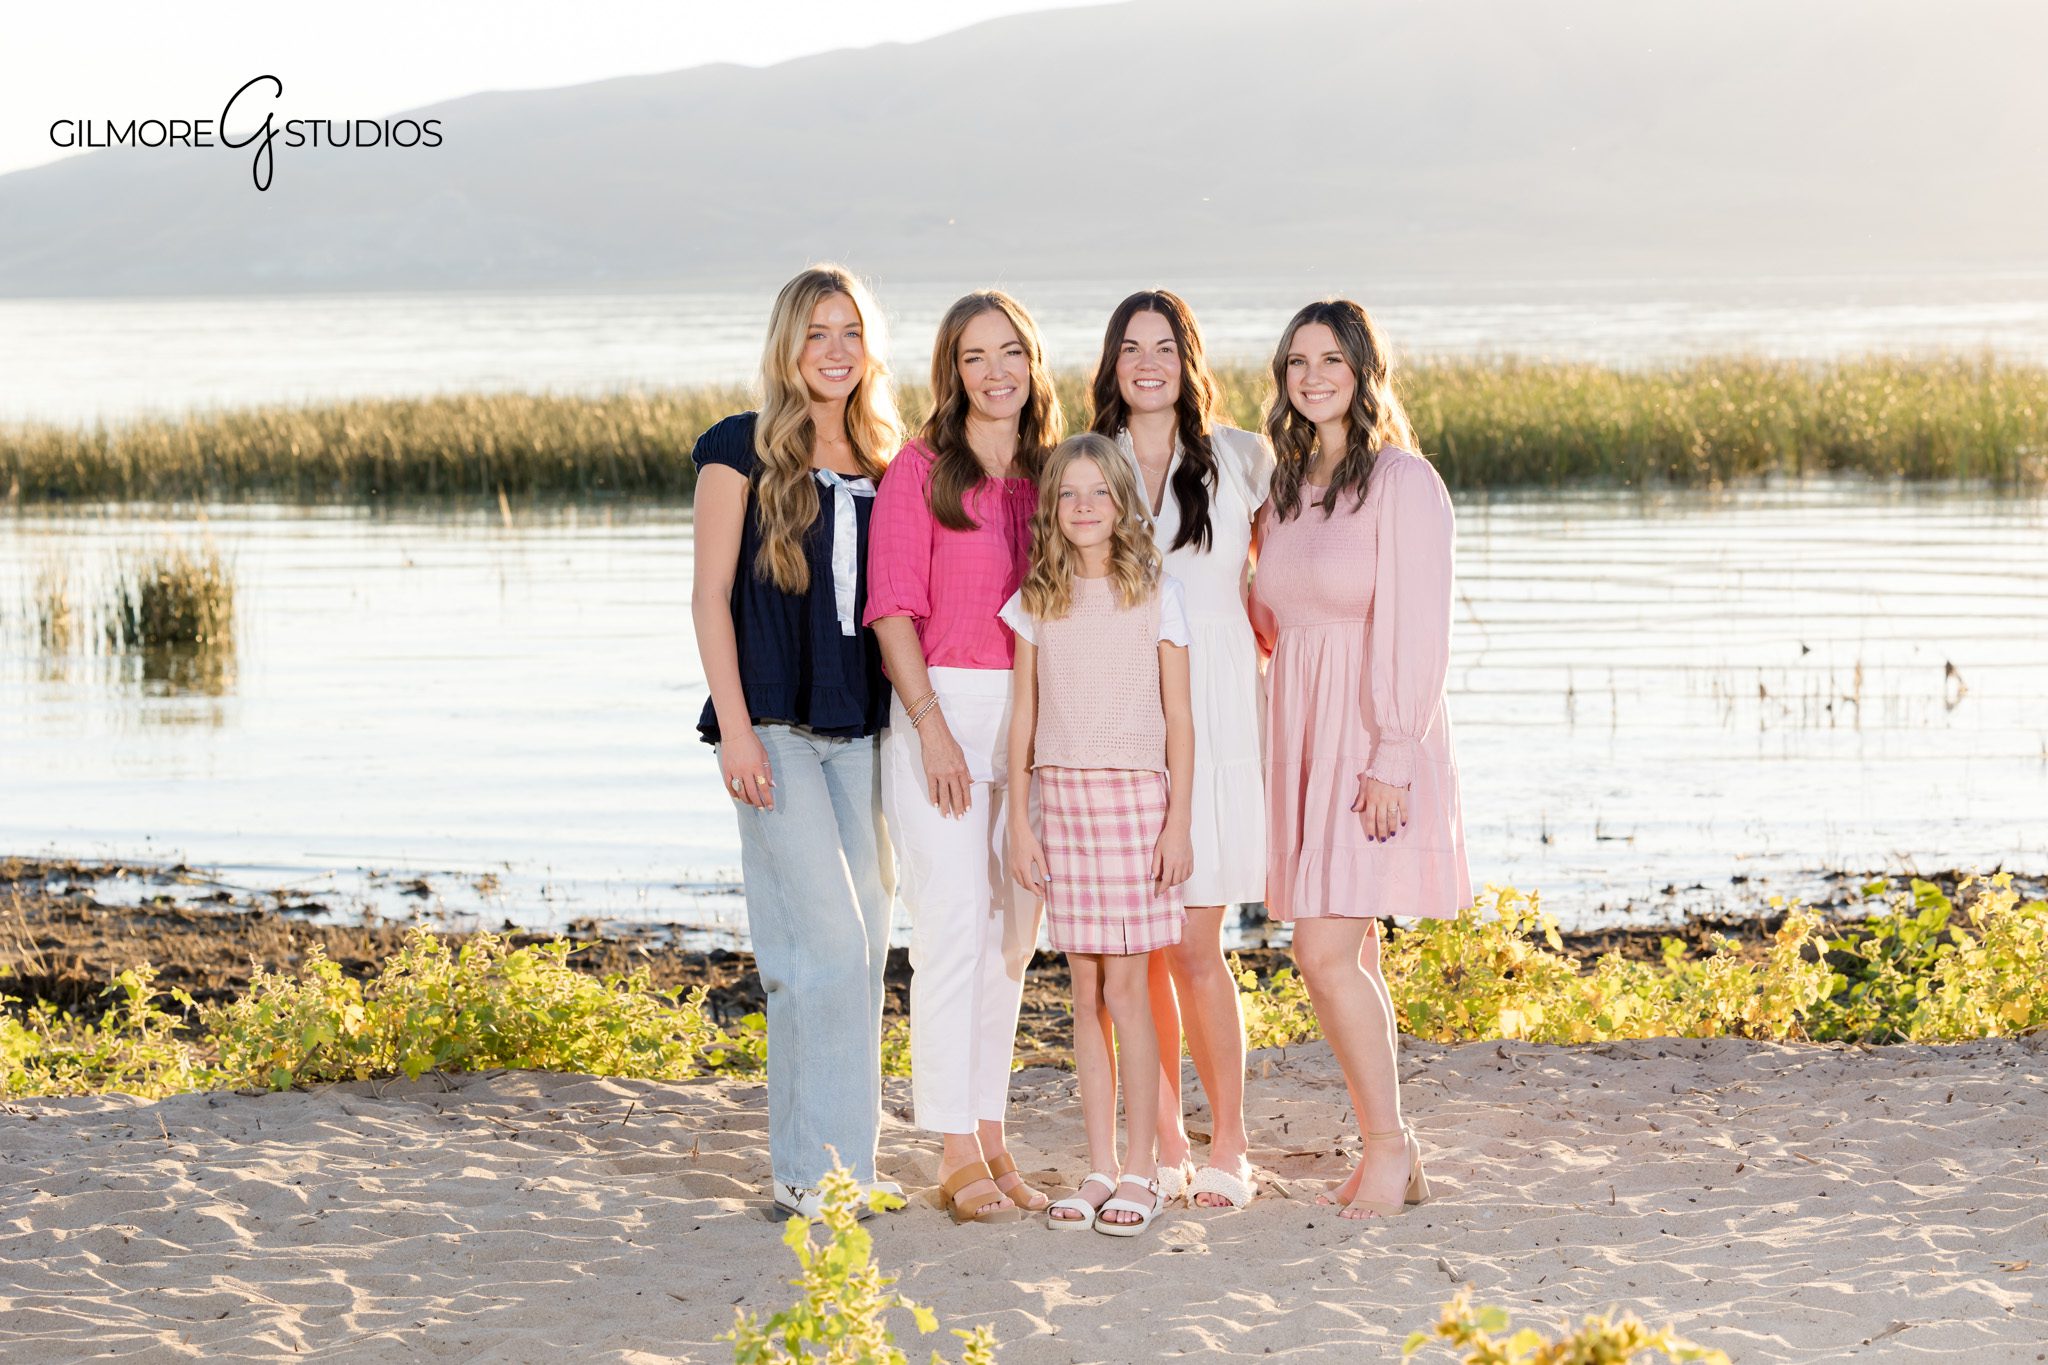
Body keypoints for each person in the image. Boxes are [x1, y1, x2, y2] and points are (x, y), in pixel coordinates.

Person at [1249, 299, 1471, 1220]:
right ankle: (1390, 1149)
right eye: (1297, 360)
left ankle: (1389, 1146)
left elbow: (1420, 626)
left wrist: (1392, 751)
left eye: (1330, 358)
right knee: (1353, 951)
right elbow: (1272, 623)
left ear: (1363, 368)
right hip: (1302, 733)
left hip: (1371, 739)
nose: (1311, 375)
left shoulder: (1403, 481)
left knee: (1323, 950)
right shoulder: (1287, 489)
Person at [689, 264, 902, 1219]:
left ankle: (829, 1167)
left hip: (862, 731)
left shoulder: (889, 459)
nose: (836, 349)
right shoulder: (739, 449)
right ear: (789, 344)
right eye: (818, 331)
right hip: (771, 724)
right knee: (822, 942)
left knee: (862, 946)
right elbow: (707, 597)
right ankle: (820, 1175)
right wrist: (734, 728)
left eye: (851, 331)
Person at [863, 290, 1060, 1225]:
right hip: (940, 710)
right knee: (949, 928)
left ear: (1032, 363)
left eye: (1011, 351)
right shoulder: (919, 470)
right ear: (953, 370)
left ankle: (991, 1128)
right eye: (976, 355)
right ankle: (950, 1148)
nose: (996, 371)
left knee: (1011, 940)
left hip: (1031, 724)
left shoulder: (1055, 477)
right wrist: (931, 724)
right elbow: (892, 607)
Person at [1088, 289, 1271, 1209]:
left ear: (1187, 358)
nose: (1147, 361)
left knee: (1199, 940)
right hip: (1128, 715)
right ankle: (1162, 1140)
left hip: (1223, 709)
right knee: (1141, 948)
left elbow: (1287, 568)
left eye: (1164, 345)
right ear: (1113, 364)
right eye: (1131, 347)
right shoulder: (1089, 463)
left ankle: (1230, 1140)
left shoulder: (1241, 458)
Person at [1002, 433, 1194, 1236]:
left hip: (1135, 804)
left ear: (1124, 503)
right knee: (1082, 989)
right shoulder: (1035, 600)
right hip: (1062, 801)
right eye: (1068, 494)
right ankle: (1098, 1166)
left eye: (1099, 493)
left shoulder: (1156, 591)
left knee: (1128, 990)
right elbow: (1023, 720)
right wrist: (1019, 818)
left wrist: (1179, 821)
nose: (1083, 507)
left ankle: (1145, 1171)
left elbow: (1179, 719)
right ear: (1052, 506)